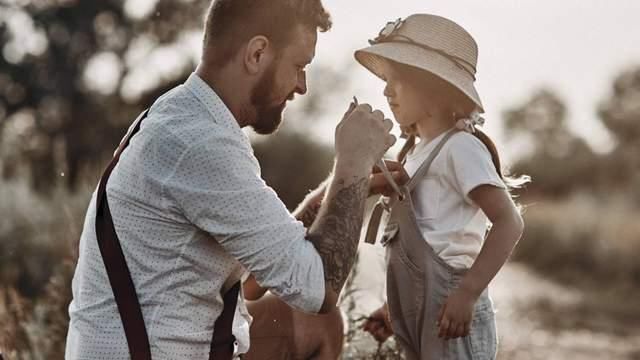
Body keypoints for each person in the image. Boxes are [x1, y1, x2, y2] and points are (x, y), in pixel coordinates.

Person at [64, 1, 403, 358]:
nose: (302, 85)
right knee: (319, 312)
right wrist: (353, 164)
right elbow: (319, 286)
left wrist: (342, 188)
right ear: (257, 54)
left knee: (313, 324)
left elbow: (259, 276)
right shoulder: (200, 143)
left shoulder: (185, 115)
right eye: (299, 66)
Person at [356, 14, 529, 359]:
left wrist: (467, 294)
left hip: (451, 308)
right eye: (385, 80)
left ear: (434, 90)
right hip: (422, 313)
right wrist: (396, 311)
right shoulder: (415, 152)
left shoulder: (460, 147)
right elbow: (429, 235)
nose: (386, 90)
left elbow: (510, 222)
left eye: (396, 80)